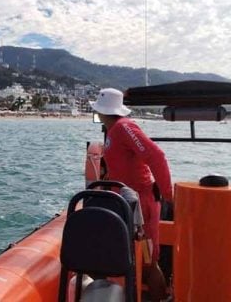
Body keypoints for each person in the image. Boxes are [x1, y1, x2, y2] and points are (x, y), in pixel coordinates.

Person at [90, 88, 173, 302]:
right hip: (126, 204)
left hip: (141, 205)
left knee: (148, 262)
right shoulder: (113, 131)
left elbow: (156, 155)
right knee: (133, 259)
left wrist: (168, 195)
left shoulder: (124, 128)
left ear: (102, 112)